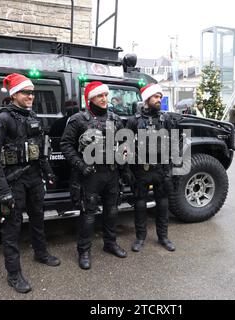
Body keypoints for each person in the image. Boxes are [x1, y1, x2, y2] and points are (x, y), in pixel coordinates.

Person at [0, 73, 60, 294]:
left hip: (34, 178)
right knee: (12, 227)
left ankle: (41, 253)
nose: (31, 96)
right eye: (26, 92)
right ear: (14, 94)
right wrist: (3, 191)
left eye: (32, 92)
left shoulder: (32, 116)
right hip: (14, 180)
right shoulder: (2, 119)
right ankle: (13, 274)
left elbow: (40, 150)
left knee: (38, 218)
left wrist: (48, 173)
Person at [60, 81, 128, 270]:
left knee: (112, 211)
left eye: (106, 95)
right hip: (89, 175)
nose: (104, 99)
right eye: (100, 96)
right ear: (91, 98)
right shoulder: (78, 120)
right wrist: (81, 165)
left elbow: (124, 142)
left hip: (112, 173)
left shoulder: (115, 118)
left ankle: (110, 243)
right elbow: (65, 145)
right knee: (88, 215)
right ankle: (84, 251)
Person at [126, 83, 176, 253]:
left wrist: (171, 168)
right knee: (140, 204)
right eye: (156, 96)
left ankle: (163, 237)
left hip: (161, 169)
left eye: (160, 97)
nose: (159, 99)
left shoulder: (167, 119)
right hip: (141, 170)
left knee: (162, 204)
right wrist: (128, 171)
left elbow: (175, 143)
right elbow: (125, 146)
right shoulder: (134, 121)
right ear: (147, 99)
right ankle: (140, 238)